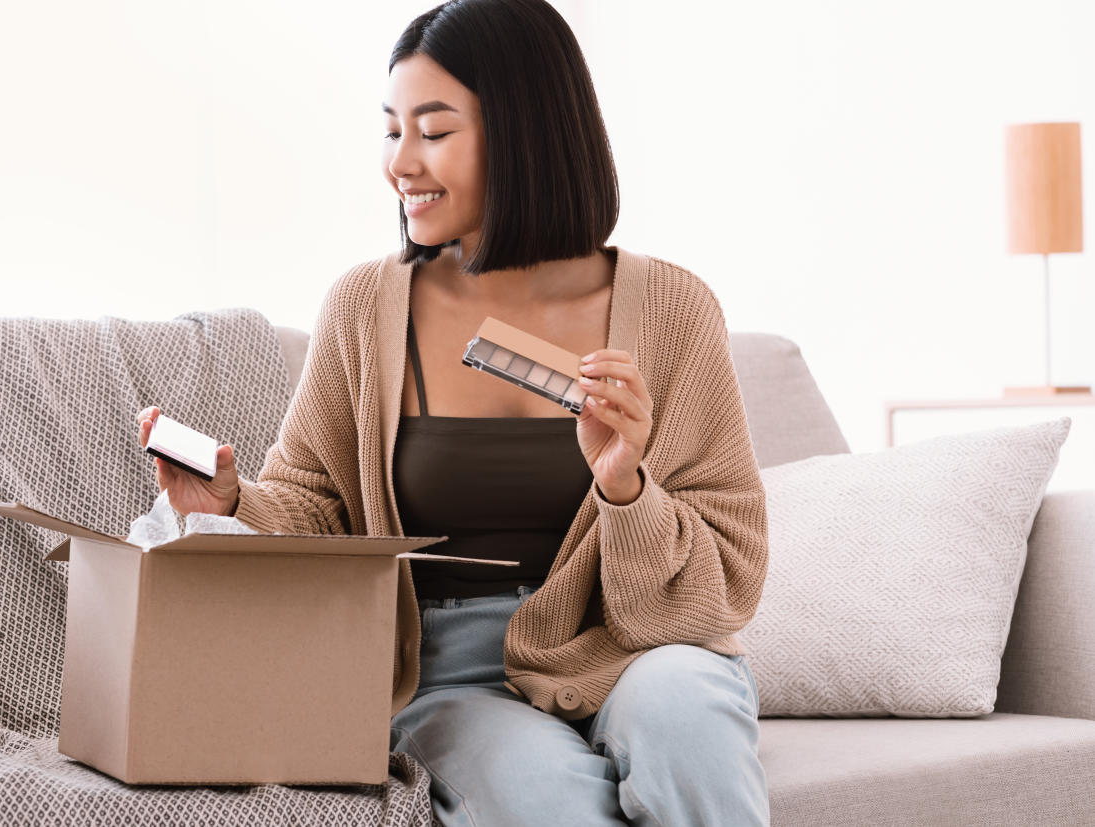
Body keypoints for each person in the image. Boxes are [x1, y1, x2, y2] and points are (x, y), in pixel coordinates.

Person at [137, 0, 770, 823]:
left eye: (433, 132)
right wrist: (230, 504)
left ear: (525, 134)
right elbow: (318, 508)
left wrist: (626, 489)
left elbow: (728, 573)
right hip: (448, 670)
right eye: (391, 129)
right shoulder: (367, 307)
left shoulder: (674, 309)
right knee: (546, 800)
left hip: (638, 642)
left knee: (689, 721)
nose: (401, 162)